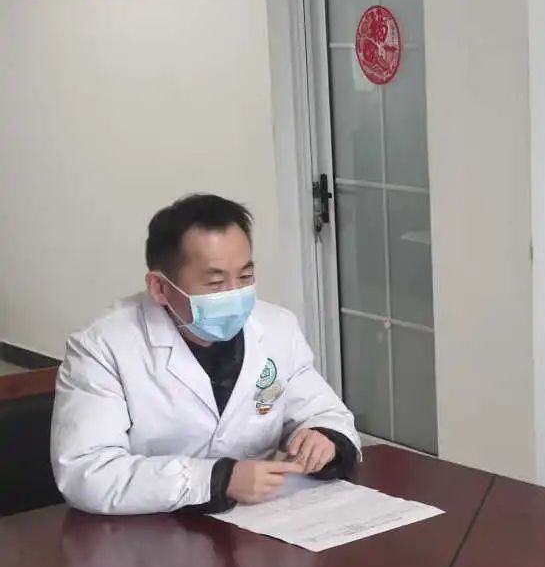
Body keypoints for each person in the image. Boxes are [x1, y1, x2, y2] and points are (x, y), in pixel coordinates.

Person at [51, 194, 361, 515]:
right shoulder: (102, 345)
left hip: (262, 520)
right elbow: (87, 472)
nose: (235, 294)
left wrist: (325, 438)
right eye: (215, 282)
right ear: (160, 287)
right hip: (151, 526)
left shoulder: (277, 327)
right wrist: (215, 480)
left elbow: (324, 412)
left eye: (245, 277)